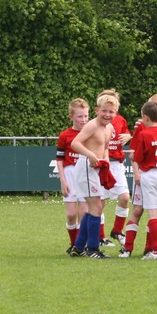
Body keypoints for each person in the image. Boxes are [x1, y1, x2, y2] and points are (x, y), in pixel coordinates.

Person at [119, 100, 157, 259]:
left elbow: (137, 158)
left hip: (149, 174)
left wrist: (135, 159)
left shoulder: (144, 134)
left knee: (153, 213)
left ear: (145, 117)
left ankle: (155, 250)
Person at [69, 92, 119, 259]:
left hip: (97, 168)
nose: (107, 114)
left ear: (116, 113)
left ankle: (78, 247)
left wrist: (105, 162)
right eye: (104, 111)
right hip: (86, 166)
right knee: (96, 205)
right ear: (97, 110)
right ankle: (92, 249)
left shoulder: (109, 128)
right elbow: (75, 143)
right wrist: (90, 155)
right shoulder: (92, 125)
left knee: (96, 207)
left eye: (111, 112)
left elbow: (105, 147)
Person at [56, 98, 90, 255]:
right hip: (70, 174)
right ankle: (73, 243)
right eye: (79, 116)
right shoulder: (64, 135)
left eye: (86, 116)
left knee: (83, 213)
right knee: (71, 214)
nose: (83, 119)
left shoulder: (90, 133)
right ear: (71, 117)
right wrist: (63, 180)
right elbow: (59, 159)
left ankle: (80, 246)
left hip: (85, 174)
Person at [100, 89, 133, 246]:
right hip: (101, 164)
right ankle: (100, 236)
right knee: (100, 201)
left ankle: (117, 231)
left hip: (117, 164)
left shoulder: (121, 120)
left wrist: (129, 135)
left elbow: (126, 134)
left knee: (125, 197)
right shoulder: (96, 122)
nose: (108, 112)